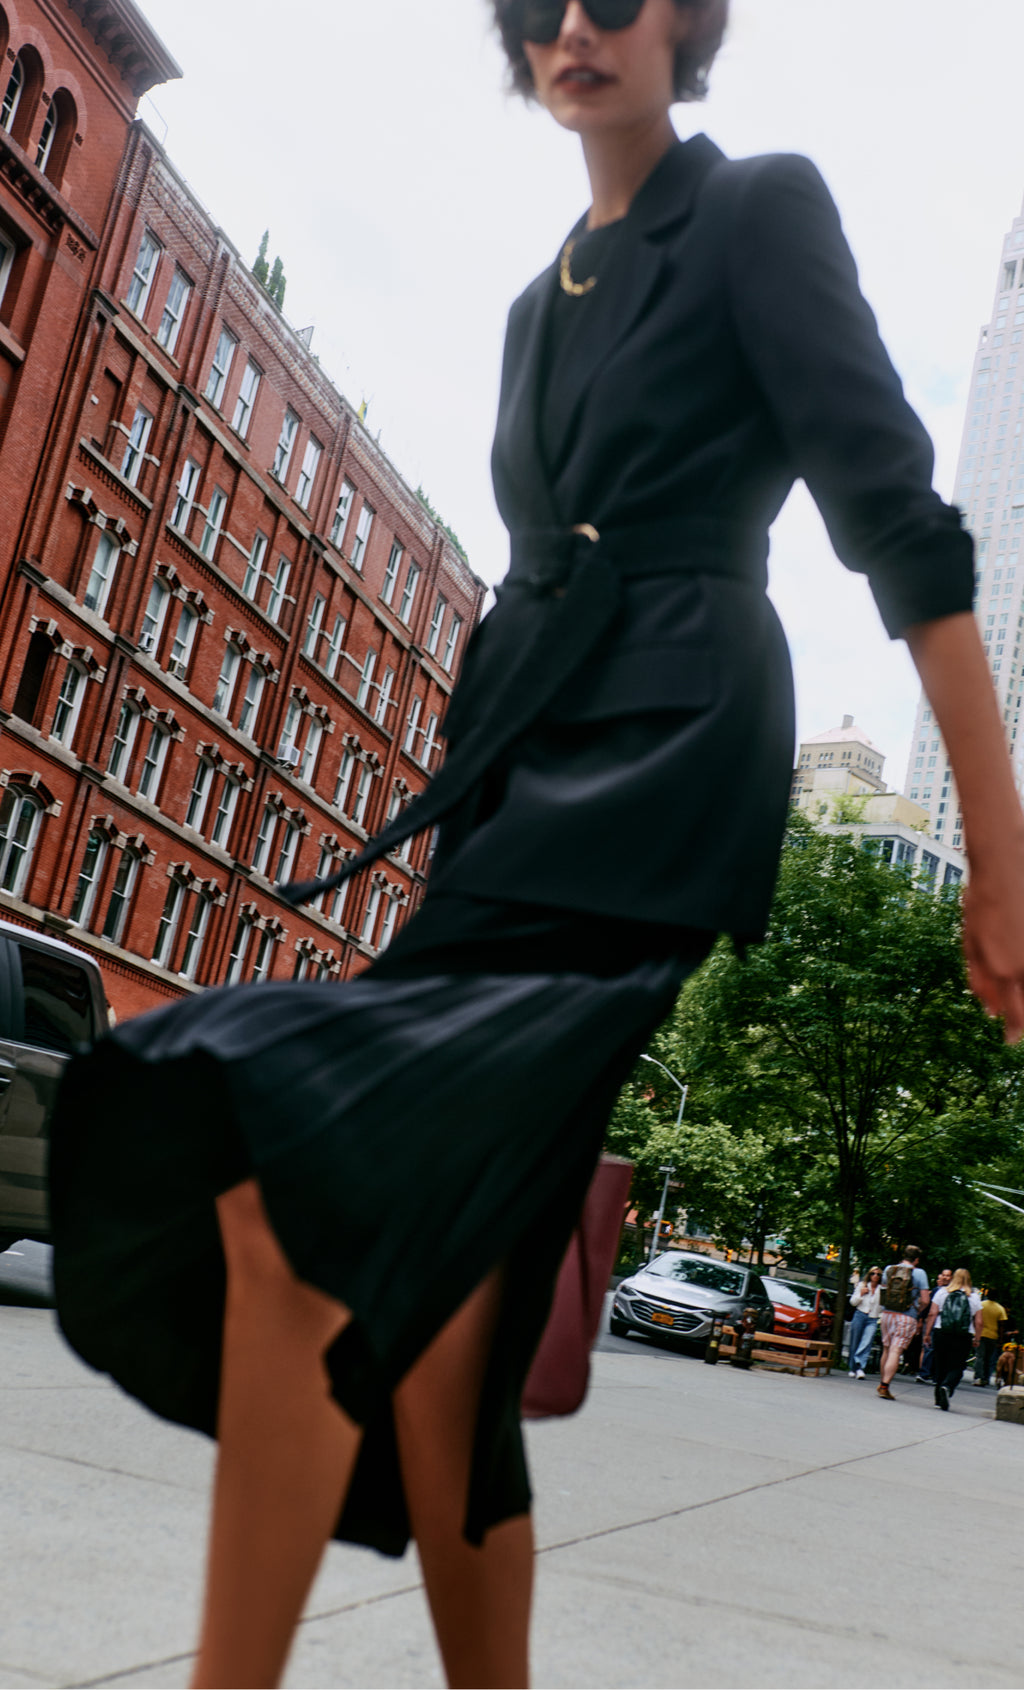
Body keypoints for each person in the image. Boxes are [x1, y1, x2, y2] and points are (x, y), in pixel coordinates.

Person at [46, 2, 1024, 1686]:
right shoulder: (528, 308)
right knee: (444, 1344)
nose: (572, 24)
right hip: (503, 805)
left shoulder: (754, 208)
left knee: (293, 1192)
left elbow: (896, 517)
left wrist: (997, 852)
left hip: (659, 778)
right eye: (538, 4)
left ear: (683, 23)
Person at [923, 1268, 983, 1410]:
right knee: (958, 1365)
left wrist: (927, 1333)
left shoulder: (942, 1292)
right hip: (963, 1335)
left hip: (941, 1331)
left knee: (941, 1364)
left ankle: (938, 1399)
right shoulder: (973, 1297)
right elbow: (979, 1321)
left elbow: (932, 1313)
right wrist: (977, 1337)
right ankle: (948, 1386)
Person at [877, 1247, 930, 1401]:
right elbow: (925, 1300)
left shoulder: (889, 1269)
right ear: (917, 1260)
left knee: (886, 1349)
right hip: (906, 1316)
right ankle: (885, 1386)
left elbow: (884, 1290)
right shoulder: (919, 1273)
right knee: (896, 1351)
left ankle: (882, 1383)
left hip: (887, 1314)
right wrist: (917, 1310)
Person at [915, 1266, 952, 1383]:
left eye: (948, 1275)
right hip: (933, 1321)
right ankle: (924, 1373)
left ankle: (936, 1375)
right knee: (929, 1347)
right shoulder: (936, 1290)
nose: (945, 1277)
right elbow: (928, 1307)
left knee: (940, 1349)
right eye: (944, 1275)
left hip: (945, 1323)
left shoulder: (953, 1292)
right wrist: (921, 1319)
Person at [848, 1268, 882, 1378]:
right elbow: (853, 1302)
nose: (875, 1275)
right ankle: (853, 1367)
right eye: (873, 1273)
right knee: (855, 1341)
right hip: (860, 1314)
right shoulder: (862, 1285)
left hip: (872, 1318)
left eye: (878, 1274)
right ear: (869, 1274)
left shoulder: (881, 1289)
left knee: (867, 1342)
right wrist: (861, 1294)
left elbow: (882, 1306)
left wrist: (879, 1315)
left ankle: (860, 1367)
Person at [973, 1290, 1009, 1386]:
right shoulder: (1000, 1309)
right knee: (988, 1359)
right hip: (992, 1336)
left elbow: (975, 1318)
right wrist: (1000, 1340)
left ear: (987, 1295)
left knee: (979, 1356)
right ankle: (985, 1378)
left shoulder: (981, 1305)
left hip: (980, 1334)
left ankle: (978, 1377)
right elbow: (1001, 1325)